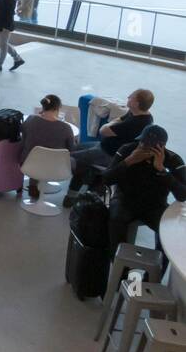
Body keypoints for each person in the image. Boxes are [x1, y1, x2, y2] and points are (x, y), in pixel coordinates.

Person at [102, 125, 186, 254]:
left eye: (150, 146)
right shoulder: (127, 150)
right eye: (142, 143)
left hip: (155, 205)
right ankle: (120, 264)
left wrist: (162, 170)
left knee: (169, 234)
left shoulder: (173, 160)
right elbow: (105, 179)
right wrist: (128, 161)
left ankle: (155, 270)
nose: (142, 147)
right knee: (115, 221)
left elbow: (182, 195)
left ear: (161, 147)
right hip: (125, 199)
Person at [65, 89, 155, 207]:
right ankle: (87, 187)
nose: (128, 97)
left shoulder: (137, 123)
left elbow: (103, 130)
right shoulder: (136, 113)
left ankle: (72, 195)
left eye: (131, 97)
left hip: (110, 154)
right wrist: (113, 124)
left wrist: (110, 124)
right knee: (75, 148)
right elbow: (118, 120)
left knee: (69, 156)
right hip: (103, 146)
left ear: (136, 103)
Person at [21, 94, 78, 200]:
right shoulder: (65, 128)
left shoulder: (31, 120)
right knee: (75, 159)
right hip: (57, 168)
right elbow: (71, 149)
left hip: (28, 163)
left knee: (35, 154)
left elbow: (23, 137)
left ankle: (33, 184)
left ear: (43, 107)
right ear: (57, 108)